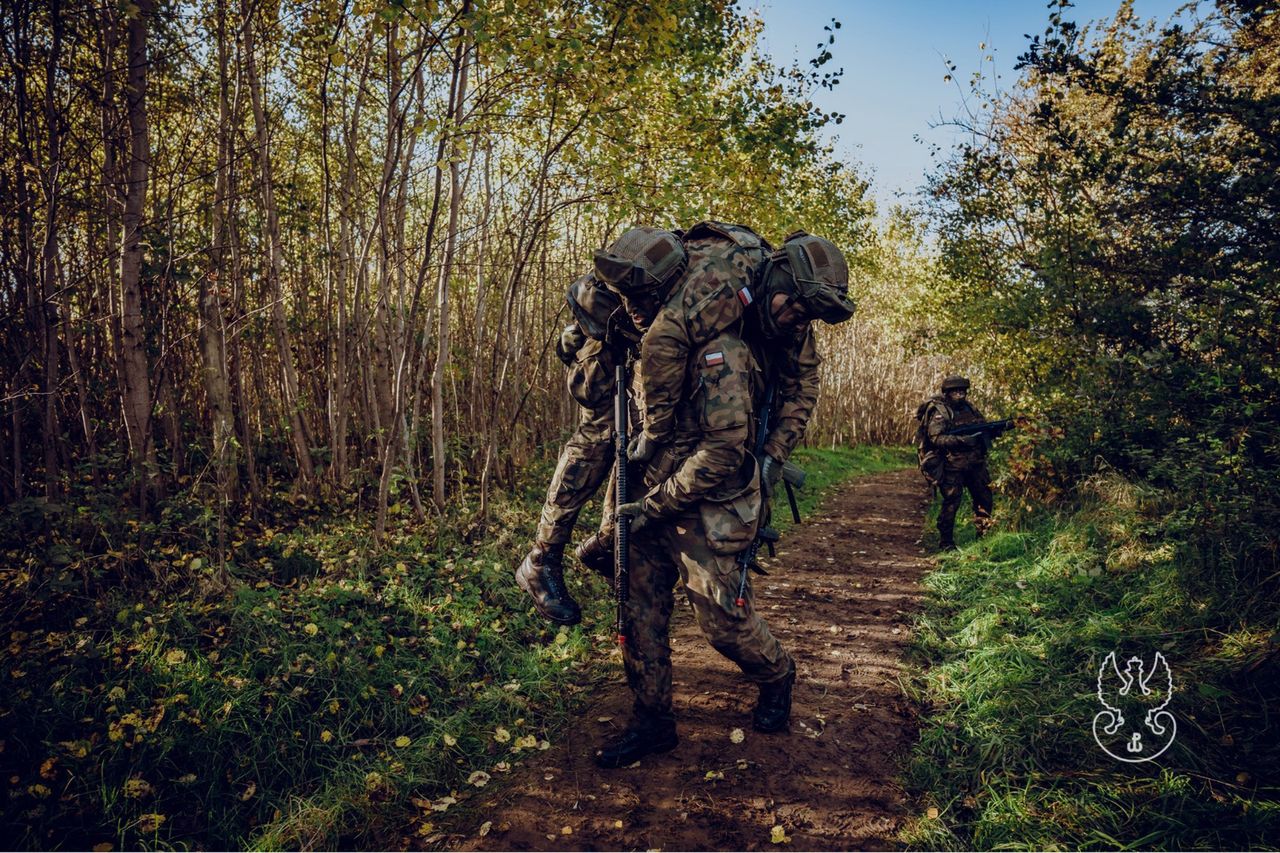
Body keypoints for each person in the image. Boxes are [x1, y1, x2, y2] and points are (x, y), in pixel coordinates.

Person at [590, 226, 802, 770]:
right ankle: (652, 719)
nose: (635, 309)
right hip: (646, 480)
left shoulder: (722, 350)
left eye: (641, 299)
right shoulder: (646, 314)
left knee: (722, 622)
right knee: (637, 605)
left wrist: (655, 504)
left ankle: (777, 675)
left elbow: (724, 453)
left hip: (706, 496)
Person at [514, 270, 649, 626]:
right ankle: (542, 559)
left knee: (635, 451)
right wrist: (594, 335)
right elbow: (589, 295)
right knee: (599, 439)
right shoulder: (657, 267)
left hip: (638, 356)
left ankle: (604, 545)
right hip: (609, 362)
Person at [918, 375, 994, 549]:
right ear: (947, 393)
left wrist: (991, 433)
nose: (960, 394)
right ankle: (946, 542)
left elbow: (983, 428)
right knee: (952, 502)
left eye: (962, 391)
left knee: (984, 499)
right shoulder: (941, 412)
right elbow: (936, 438)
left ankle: (983, 538)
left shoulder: (971, 409)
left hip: (975, 464)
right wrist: (961, 440)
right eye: (955, 391)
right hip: (952, 465)